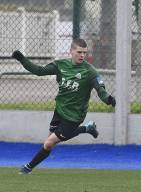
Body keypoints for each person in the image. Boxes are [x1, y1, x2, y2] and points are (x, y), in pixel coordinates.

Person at [12, 38, 116, 175]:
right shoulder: (61, 65)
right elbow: (39, 71)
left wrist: (107, 99)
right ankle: (87, 128)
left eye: (84, 53)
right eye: (79, 52)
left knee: (48, 143)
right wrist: (22, 59)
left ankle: (28, 168)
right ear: (71, 51)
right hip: (60, 110)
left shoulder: (89, 71)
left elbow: (100, 88)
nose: (82, 55)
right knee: (50, 142)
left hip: (75, 116)